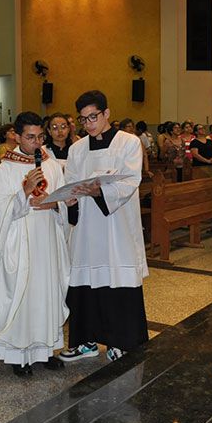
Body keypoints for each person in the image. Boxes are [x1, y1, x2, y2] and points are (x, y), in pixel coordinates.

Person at [59, 90, 148, 363]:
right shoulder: (76, 149)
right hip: (86, 228)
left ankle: (120, 342)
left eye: (93, 117)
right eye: (83, 119)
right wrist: (70, 197)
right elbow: (70, 182)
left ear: (106, 113)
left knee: (117, 283)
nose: (89, 124)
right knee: (85, 285)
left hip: (117, 227)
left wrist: (100, 191)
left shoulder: (128, 143)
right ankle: (84, 342)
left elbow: (130, 181)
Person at [0, 111, 70, 376]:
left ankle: (45, 350)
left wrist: (56, 204)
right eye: (30, 137)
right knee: (22, 296)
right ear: (17, 137)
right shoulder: (6, 169)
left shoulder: (51, 165)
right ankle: (18, 355)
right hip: (19, 243)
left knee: (46, 293)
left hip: (48, 242)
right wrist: (24, 192)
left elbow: (63, 199)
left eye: (40, 136)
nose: (37, 142)